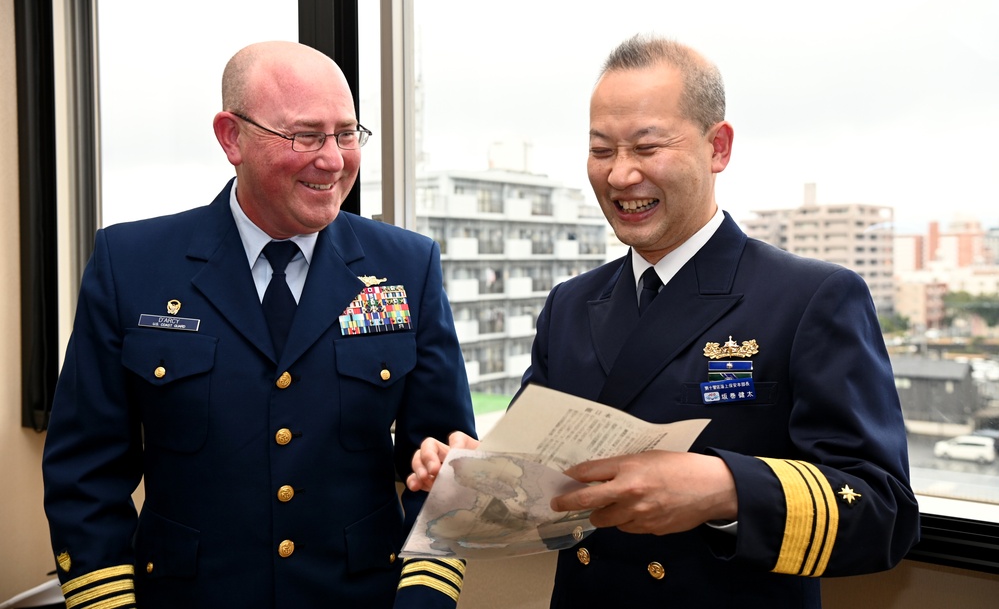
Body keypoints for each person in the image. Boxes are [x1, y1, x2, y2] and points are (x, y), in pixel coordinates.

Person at [408, 34, 920, 608]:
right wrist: (474, 470)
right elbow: (542, 481)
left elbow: (882, 514)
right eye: (602, 150)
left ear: (717, 147)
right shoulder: (571, 304)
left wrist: (723, 490)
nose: (621, 175)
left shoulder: (810, 297)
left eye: (647, 148)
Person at [42, 41, 475, 608]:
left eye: (347, 134)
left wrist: (423, 602)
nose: (333, 159)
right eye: (305, 136)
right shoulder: (132, 264)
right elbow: (86, 473)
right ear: (231, 137)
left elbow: (443, 460)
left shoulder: (405, 266)